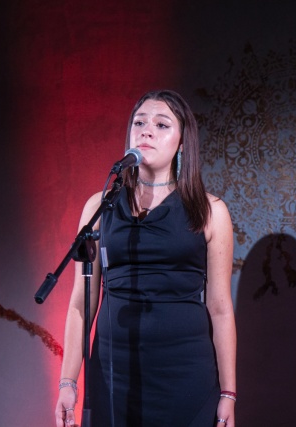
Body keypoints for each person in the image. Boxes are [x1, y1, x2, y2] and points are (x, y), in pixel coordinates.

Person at [54, 89, 237, 427]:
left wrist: (228, 393)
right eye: (139, 123)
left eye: (161, 124)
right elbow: (82, 302)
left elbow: (220, 307)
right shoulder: (100, 207)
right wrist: (68, 382)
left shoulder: (210, 211)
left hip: (185, 374)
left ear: (182, 143)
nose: (147, 131)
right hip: (114, 373)